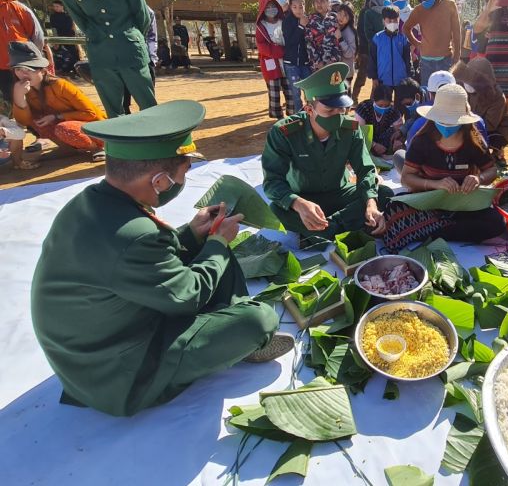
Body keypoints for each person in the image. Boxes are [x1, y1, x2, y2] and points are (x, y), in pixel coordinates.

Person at [31, 100, 293, 417]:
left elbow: (141, 263)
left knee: (212, 253)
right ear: (159, 181)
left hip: (101, 337)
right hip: (115, 373)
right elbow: (187, 296)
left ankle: (224, 327)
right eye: (183, 172)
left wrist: (194, 235)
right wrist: (217, 243)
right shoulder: (134, 236)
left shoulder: (91, 203)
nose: (184, 179)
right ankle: (233, 336)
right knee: (258, 319)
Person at [261, 62, 392, 242]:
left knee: (384, 194)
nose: (338, 115)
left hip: (341, 193)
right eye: (329, 110)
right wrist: (297, 203)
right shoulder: (284, 133)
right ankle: (339, 226)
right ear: (309, 110)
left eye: (342, 108)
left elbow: (365, 169)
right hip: (304, 199)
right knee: (277, 209)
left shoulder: (350, 128)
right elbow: (272, 182)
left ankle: (326, 229)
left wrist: (371, 203)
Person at [383, 84, 506, 252]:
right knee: (392, 209)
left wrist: (479, 178)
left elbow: (492, 170)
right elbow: (407, 178)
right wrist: (436, 184)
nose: (447, 127)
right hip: (429, 201)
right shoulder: (422, 140)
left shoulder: (473, 140)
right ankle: (441, 227)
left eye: (452, 123)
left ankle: (431, 230)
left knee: (497, 223)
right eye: (443, 121)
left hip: (463, 204)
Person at [10, 41, 106, 161]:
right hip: (68, 126)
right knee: (37, 119)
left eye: (28, 69)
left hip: (96, 129)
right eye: (18, 69)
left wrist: (57, 116)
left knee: (64, 128)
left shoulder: (60, 85)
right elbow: (24, 121)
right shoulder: (24, 90)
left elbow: (91, 113)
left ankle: (99, 148)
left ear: (43, 70)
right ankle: (67, 149)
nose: (23, 73)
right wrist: (19, 98)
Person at [452, 57, 508, 163]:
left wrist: (466, 130)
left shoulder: (497, 97)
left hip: (494, 130)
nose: (468, 83)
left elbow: (489, 125)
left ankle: (496, 151)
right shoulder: (461, 86)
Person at [403, 0, 461, 89]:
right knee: (427, 92)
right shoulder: (419, 10)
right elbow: (406, 28)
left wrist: (457, 56)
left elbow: (456, 33)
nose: (423, 1)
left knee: (445, 93)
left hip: (445, 60)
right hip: (426, 62)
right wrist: (417, 43)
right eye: (420, 0)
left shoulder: (450, 5)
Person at [0, 0, 45, 109]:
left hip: (22, 66)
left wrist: (35, 61)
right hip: (2, 68)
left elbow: (37, 35)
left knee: (31, 100)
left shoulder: (17, 7)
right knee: (8, 104)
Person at [256, 0, 294, 119]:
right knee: (274, 92)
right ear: (263, 9)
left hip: (287, 62)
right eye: (267, 7)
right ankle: (278, 117)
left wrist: (287, 50)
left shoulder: (283, 22)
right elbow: (261, 46)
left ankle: (292, 114)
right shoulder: (261, 26)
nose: (271, 9)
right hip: (271, 64)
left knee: (290, 89)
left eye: (273, 6)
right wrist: (279, 51)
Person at [368, 6, 411, 93]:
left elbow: (407, 59)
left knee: (400, 104)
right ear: (384, 20)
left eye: (395, 20)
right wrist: (374, 77)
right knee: (383, 104)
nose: (392, 22)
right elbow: (372, 59)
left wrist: (409, 76)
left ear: (399, 20)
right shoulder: (377, 38)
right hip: (383, 80)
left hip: (401, 80)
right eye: (389, 20)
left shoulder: (403, 38)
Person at [355, 83, 403, 156]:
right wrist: (373, 145)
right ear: (374, 100)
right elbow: (360, 131)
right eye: (380, 105)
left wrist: (397, 141)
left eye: (387, 105)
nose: (383, 108)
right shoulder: (363, 108)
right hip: (366, 140)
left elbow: (399, 131)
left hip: (384, 145)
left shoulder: (394, 111)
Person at [282, 0, 311, 110]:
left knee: (310, 91)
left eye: (301, 6)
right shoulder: (287, 21)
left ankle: (311, 117)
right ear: (290, 7)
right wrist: (301, 27)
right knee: (296, 94)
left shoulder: (308, 20)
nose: (298, 10)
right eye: (295, 7)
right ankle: (299, 118)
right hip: (291, 64)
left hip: (305, 63)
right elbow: (290, 42)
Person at [305, 0, 341, 71]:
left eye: (322, 1)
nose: (319, 4)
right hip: (317, 67)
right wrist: (318, 62)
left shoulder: (334, 20)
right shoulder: (310, 21)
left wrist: (332, 60)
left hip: (333, 65)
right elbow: (309, 44)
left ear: (329, 2)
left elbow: (337, 42)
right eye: (316, 1)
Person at [49, 0, 79, 75]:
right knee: (62, 55)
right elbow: (54, 29)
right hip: (59, 38)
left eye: (57, 6)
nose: (55, 8)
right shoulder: (53, 16)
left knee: (74, 54)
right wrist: (56, 41)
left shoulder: (68, 15)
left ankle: (77, 71)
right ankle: (65, 70)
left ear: (62, 7)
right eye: (54, 6)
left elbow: (71, 28)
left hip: (70, 38)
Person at [352, 0, 373, 103]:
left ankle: (373, 100)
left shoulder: (378, 12)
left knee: (376, 78)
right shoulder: (364, 12)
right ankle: (354, 98)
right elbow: (360, 31)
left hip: (374, 50)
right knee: (361, 76)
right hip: (365, 50)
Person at [336, 1, 358, 84]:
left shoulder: (350, 32)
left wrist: (341, 39)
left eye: (345, 15)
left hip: (346, 73)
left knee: (346, 96)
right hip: (338, 71)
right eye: (340, 13)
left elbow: (350, 53)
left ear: (350, 17)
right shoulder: (337, 27)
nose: (341, 17)